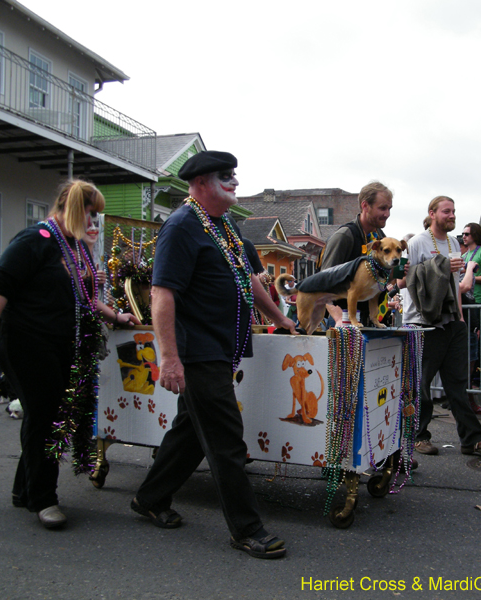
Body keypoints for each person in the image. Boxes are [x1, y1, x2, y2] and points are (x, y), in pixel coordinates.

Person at [132, 151, 296, 560]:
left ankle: (150, 497)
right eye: (225, 176)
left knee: (191, 431)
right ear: (202, 182)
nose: (235, 182)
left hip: (222, 348)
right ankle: (247, 528)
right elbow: (161, 294)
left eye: (235, 175)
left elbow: (248, 279)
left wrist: (280, 317)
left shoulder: (225, 226)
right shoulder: (181, 226)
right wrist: (168, 356)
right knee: (225, 438)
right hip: (197, 352)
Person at [0, 179, 140, 529]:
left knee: (46, 416)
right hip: (26, 342)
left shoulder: (73, 247)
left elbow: (85, 295)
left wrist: (116, 315)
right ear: (75, 209)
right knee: (45, 416)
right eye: (91, 213)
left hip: (61, 343)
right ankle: (43, 498)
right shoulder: (37, 240)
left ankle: (26, 489)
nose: (95, 223)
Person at [399, 196, 481, 458]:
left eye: (454, 211)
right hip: (423, 323)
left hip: (452, 322)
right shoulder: (417, 242)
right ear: (432, 213)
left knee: (457, 383)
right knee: (421, 384)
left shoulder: (454, 242)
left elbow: (454, 283)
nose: (452, 215)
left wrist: (460, 317)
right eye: (446, 211)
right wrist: (439, 266)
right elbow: (406, 278)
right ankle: (419, 436)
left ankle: (472, 440)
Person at [319, 181, 393, 328]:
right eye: (382, 208)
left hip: (369, 319)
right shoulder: (345, 236)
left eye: (389, 208)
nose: (387, 214)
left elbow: (381, 281)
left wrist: (397, 271)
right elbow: (323, 283)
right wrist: (339, 318)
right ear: (365, 206)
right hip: (343, 320)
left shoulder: (381, 237)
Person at [460, 222, 481, 407]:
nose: (464, 236)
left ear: (475, 234)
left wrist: (470, 274)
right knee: (469, 344)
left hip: (479, 300)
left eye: (467, 233)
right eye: (463, 234)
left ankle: (478, 380)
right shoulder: (464, 255)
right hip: (465, 301)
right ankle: (469, 383)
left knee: (479, 342)